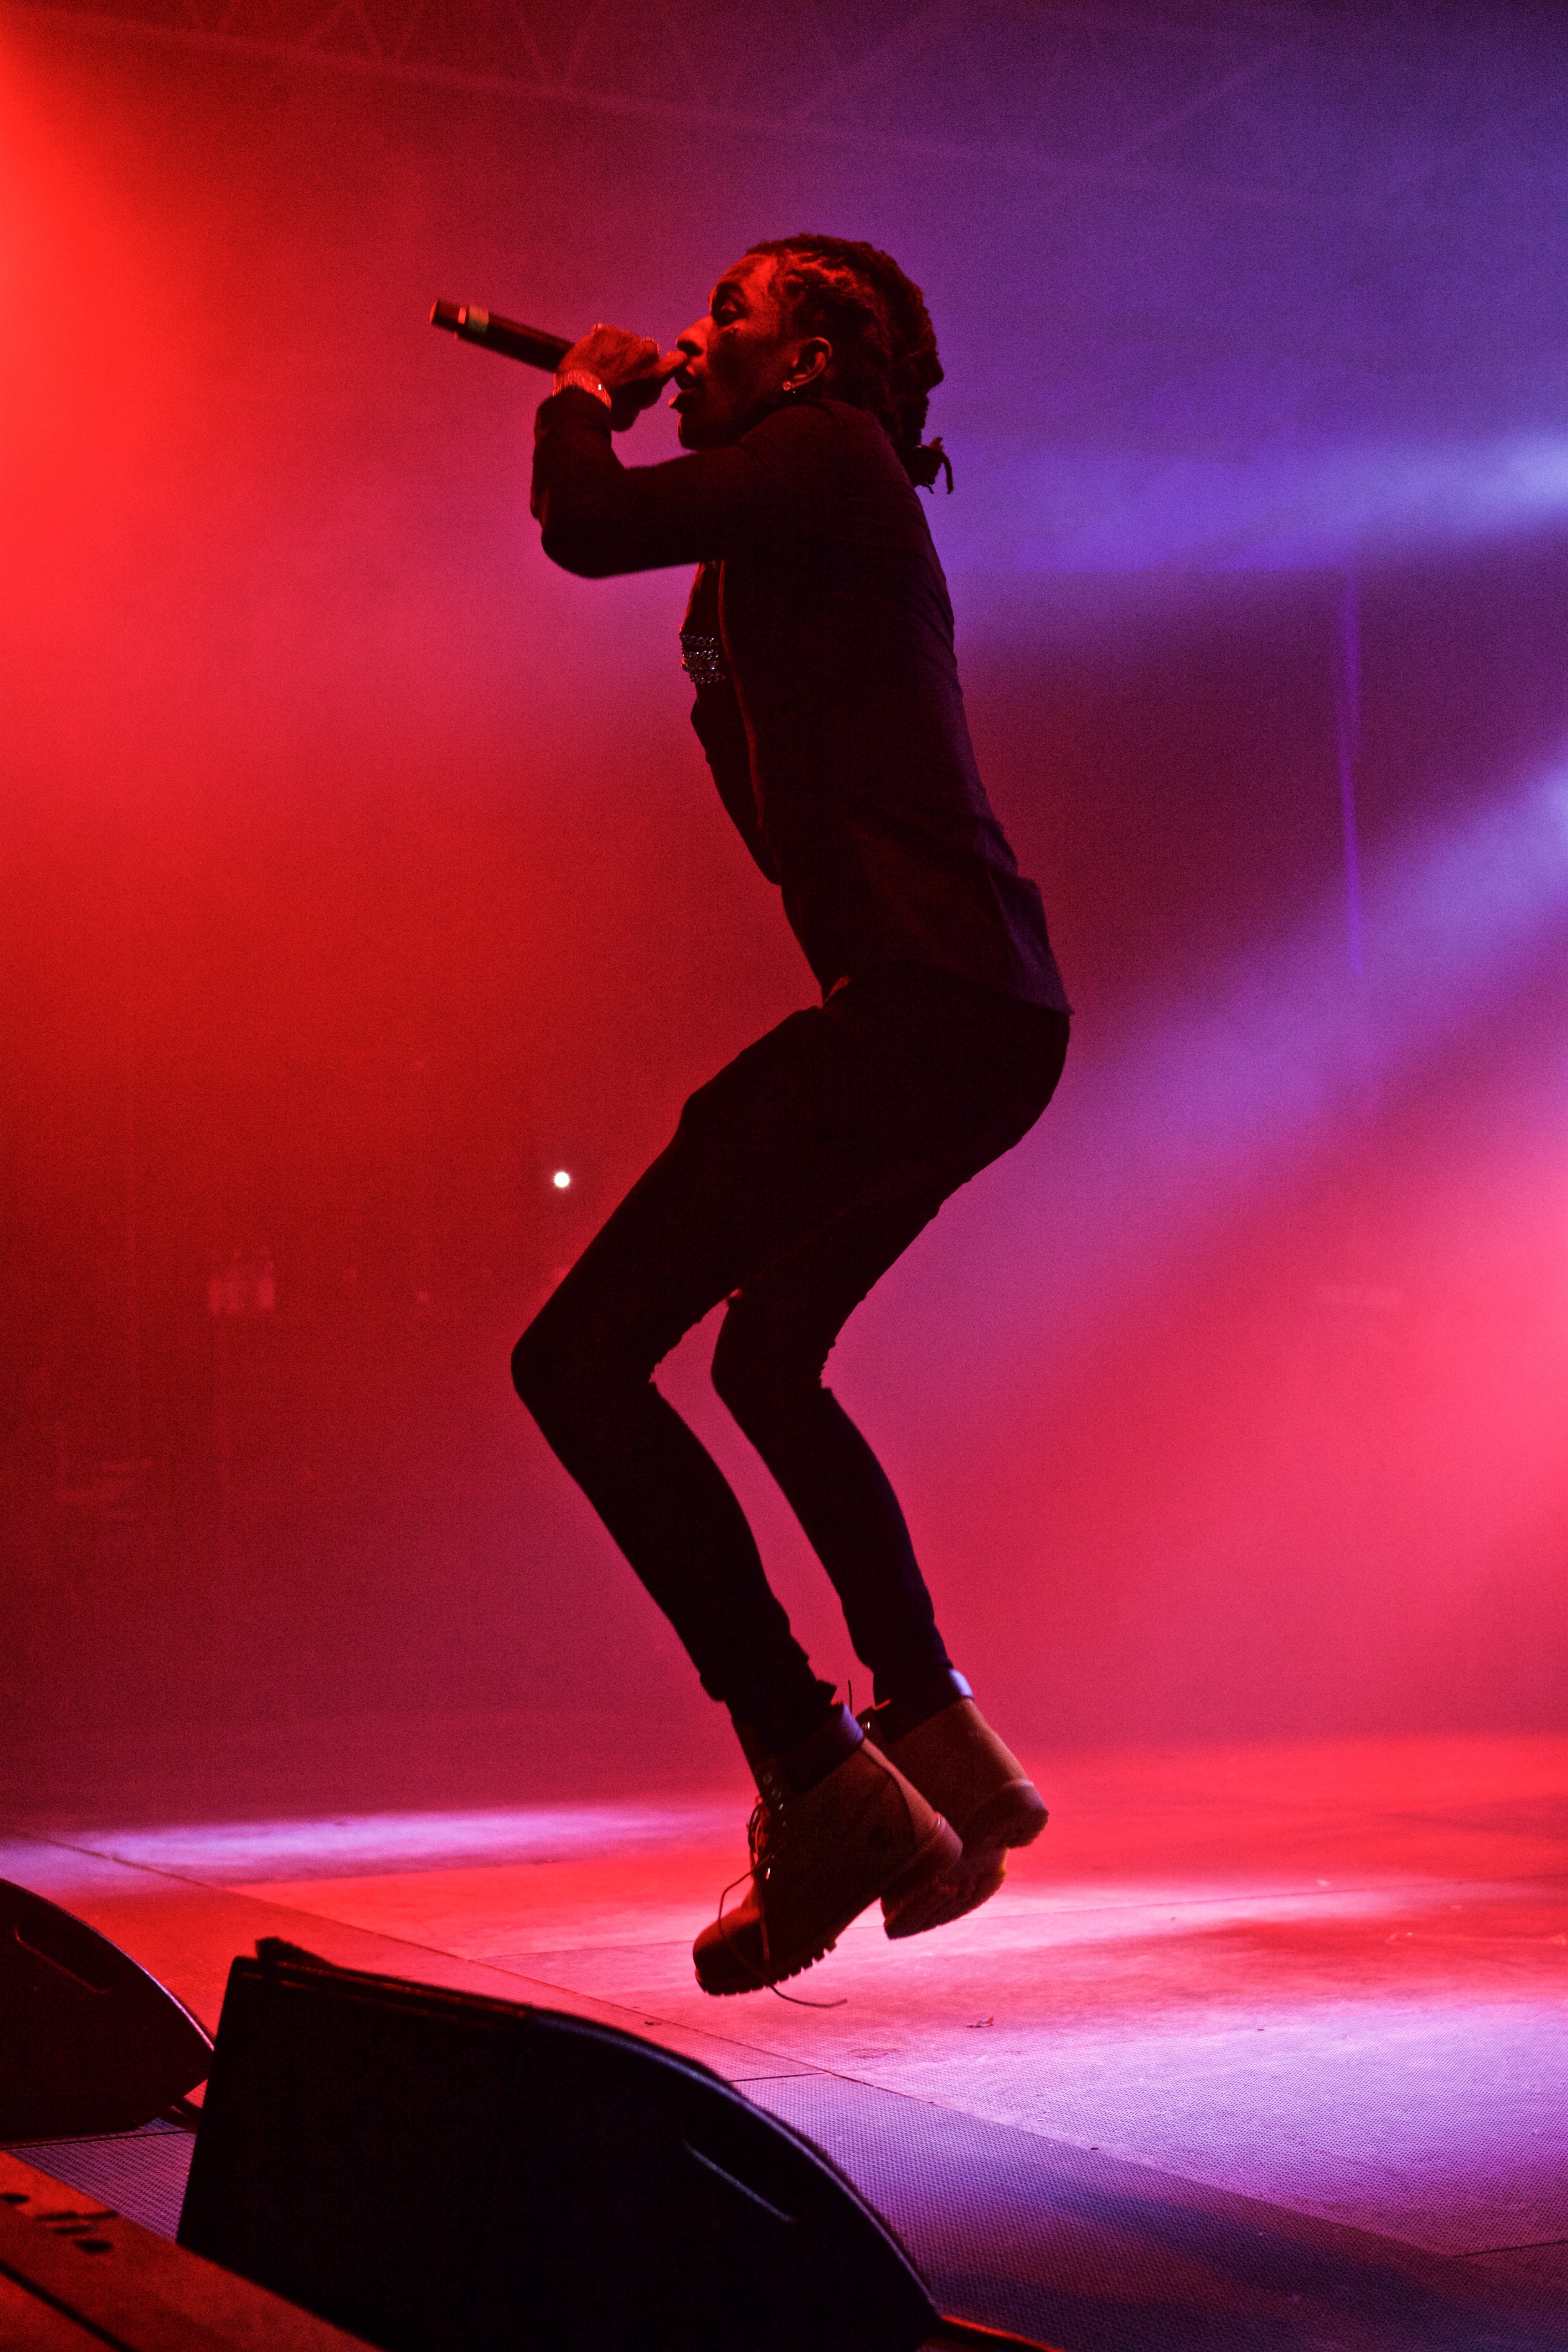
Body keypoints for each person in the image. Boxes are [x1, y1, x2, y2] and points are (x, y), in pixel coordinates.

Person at [513, 237, 1070, 1996]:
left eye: (733, 314)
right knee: (763, 1361)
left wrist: (583, 395)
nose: (697, 335)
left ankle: (814, 1768)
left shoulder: (827, 462)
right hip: (977, 1015)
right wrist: (709, 667)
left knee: (580, 1361)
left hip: (922, 1005)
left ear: (816, 361)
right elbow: (776, 839)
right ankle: (933, 1736)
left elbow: (586, 522)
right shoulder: (806, 519)